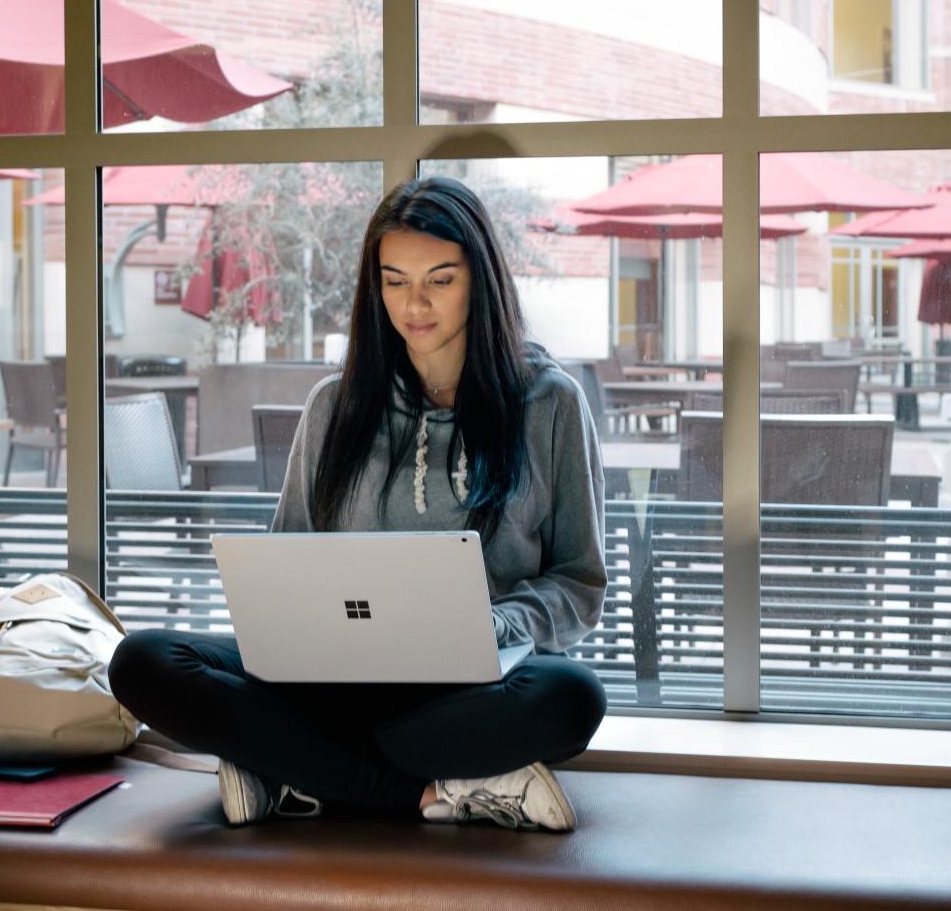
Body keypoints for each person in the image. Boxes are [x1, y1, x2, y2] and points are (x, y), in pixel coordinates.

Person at [109, 176, 608, 832]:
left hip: (469, 687)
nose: (414, 303)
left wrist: (500, 624)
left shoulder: (550, 403)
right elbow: (286, 565)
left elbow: (578, 582)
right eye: (394, 279)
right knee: (143, 662)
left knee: (573, 699)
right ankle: (425, 795)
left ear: (480, 280)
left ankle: (292, 768)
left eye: (440, 278)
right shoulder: (334, 406)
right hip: (332, 680)